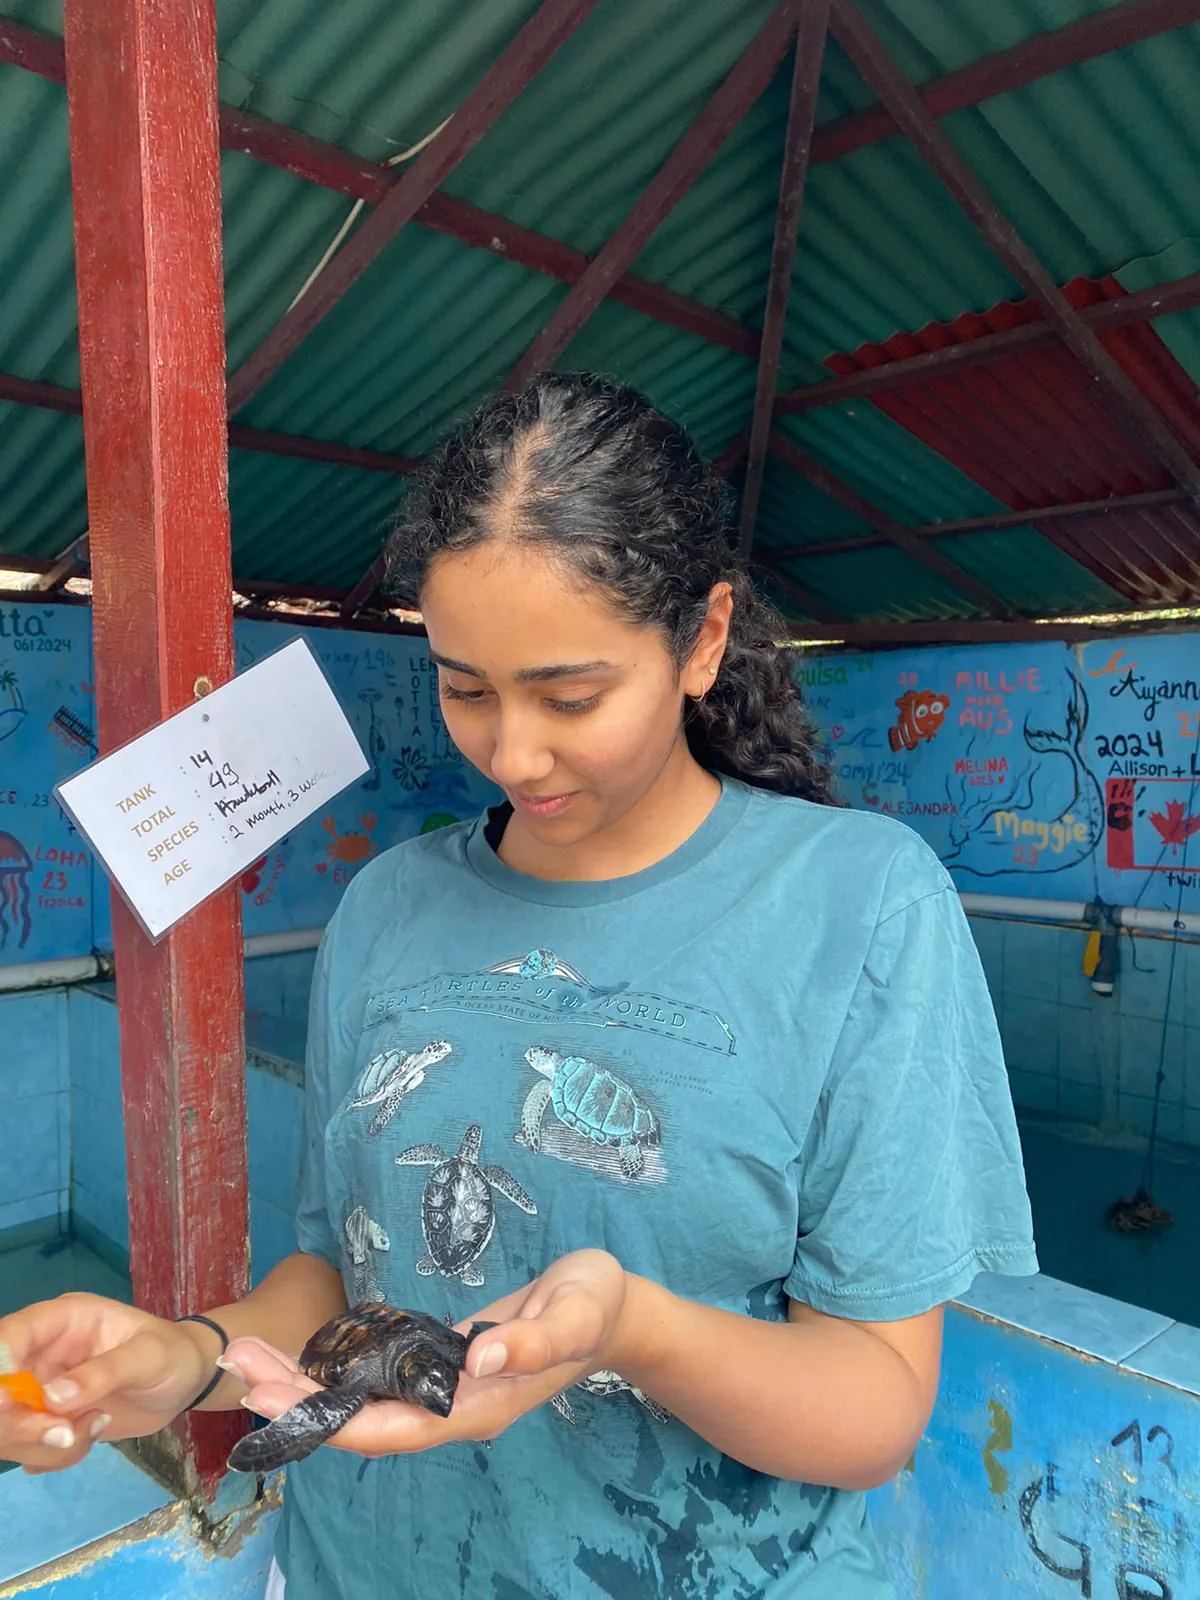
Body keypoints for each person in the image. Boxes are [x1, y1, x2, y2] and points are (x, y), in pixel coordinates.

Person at [0, 374, 1037, 1598]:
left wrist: (631, 1329)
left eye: (570, 694)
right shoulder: (387, 905)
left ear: (701, 641)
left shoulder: (860, 904)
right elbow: (336, 1279)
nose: (513, 751)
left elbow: (873, 1408)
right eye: (465, 686)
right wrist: (187, 1354)